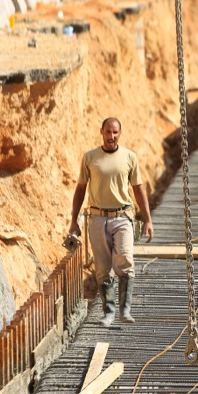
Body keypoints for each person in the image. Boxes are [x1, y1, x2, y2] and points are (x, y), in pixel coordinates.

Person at [69, 117, 154, 327]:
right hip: (97, 219)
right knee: (102, 268)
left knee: (125, 260)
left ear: (120, 133)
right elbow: (80, 189)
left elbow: (138, 189)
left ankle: (125, 310)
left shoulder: (129, 157)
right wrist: (73, 221)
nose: (111, 136)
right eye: (108, 132)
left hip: (122, 217)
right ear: (101, 132)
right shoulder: (90, 158)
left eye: (115, 132)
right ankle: (109, 312)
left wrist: (148, 220)